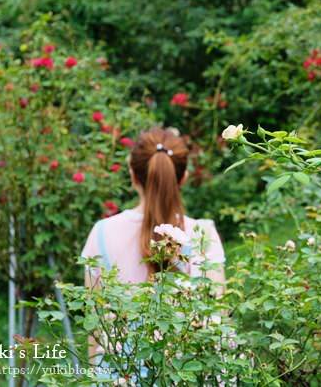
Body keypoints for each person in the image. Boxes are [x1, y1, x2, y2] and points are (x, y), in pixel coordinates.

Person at [80, 127, 226, 363]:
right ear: (183, 177)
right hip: (188, 372)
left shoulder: (101, 234)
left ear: (133, 175)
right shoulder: (203, 234)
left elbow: (96, 330)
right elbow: (216, 321)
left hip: (121, 373)